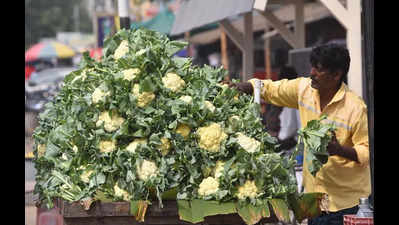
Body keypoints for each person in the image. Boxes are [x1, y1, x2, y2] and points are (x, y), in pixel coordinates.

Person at [226, 44, 370, 225]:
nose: (312, 73)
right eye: (312, 66)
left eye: (318, 69)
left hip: (347, 204)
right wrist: (246, 86)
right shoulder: (304, 89)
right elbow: (271, 89)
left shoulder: (355, 107)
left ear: (336, 75)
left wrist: (338, 150)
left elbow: (366, 151)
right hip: (313, 199)